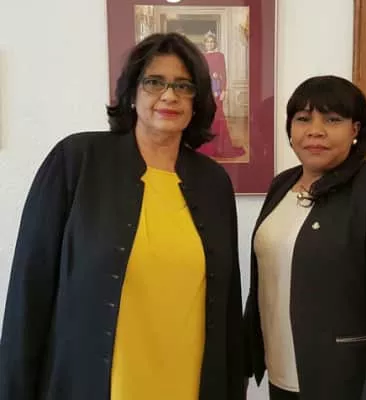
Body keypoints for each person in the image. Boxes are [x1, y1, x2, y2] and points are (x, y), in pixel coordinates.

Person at [0, 33, 245, 400]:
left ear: (197, 101)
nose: (169, 95)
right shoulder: (76, 161)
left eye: (184, 86)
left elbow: (227, 309)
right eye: (154, 82)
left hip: (187, 383)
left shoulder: (214, 182)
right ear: (131, 93)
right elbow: (29, 291)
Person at [244, 75, 366, 400]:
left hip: (347, 383)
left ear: (355, 129)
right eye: (303, 119)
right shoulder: (282, 185)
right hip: (281, 376)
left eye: (332, 119)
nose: (315, 130)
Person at [198, 30, 246, 158]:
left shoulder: (220, 56)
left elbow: (223, 73)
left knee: (218, 117)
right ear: (204, 43)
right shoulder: (201, 56)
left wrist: (224, 90)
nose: (210, 44)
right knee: (207, 117)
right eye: (208, 42)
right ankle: (208, 147)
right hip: (206, 89)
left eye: (212, 41)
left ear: (215, 43)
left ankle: (221, 146)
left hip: (217, 90)